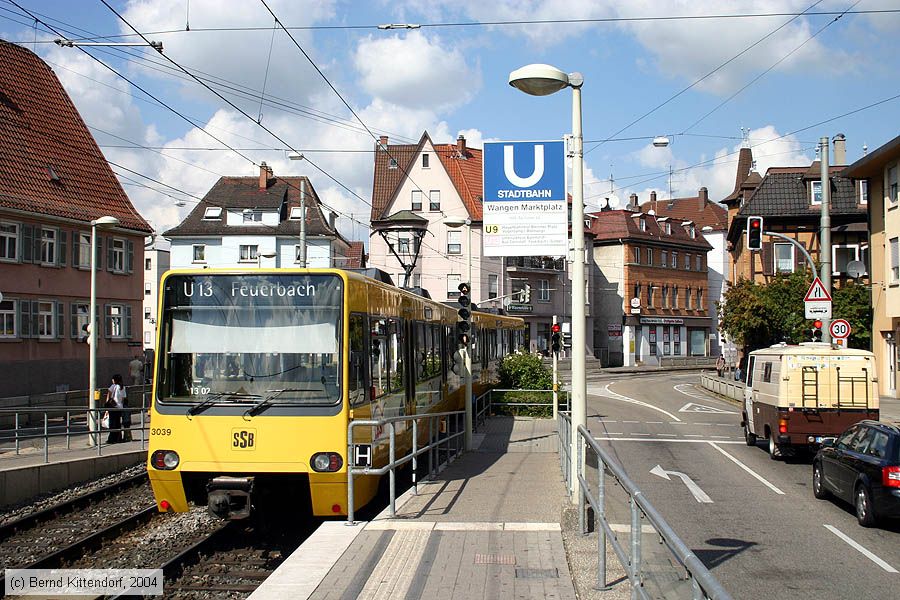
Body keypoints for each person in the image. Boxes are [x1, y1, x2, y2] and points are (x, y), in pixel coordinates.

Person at [105, 374, 125, 444]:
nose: (112, 380)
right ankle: (118, 438)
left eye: (113, 379)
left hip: (112, 407)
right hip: (119, 407)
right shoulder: (122, 387)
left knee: (112, 424)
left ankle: (111, 439)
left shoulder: (113, 386)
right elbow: (123, 398)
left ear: (115, 380)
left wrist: (107, 405)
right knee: (117, 423)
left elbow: (109, 395)